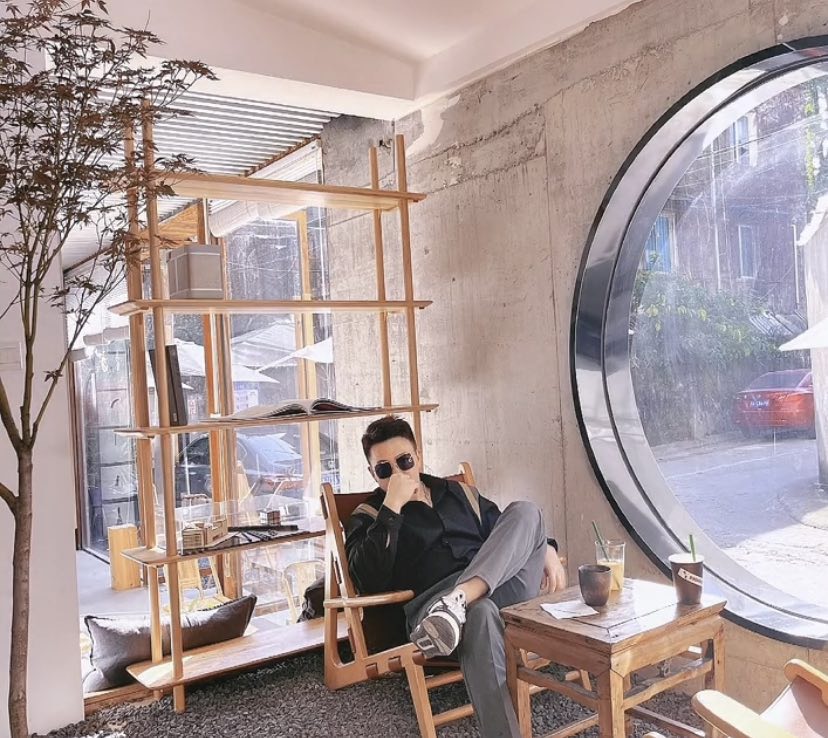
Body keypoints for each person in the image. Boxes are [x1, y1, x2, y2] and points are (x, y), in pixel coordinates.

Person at [345, 415, 566, 738]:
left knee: (526, 510)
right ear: (372, 473)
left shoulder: (459, 493)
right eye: (384, 469)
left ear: (418, 456)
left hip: (499, 590)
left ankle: (459, 599)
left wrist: (545, 547)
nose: (397, 473)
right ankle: (456, 605)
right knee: (480, 612)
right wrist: (391, 507)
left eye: (404, 461)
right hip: (434, 614)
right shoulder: (369, 515)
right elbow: (367, 580)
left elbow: (510, 531)